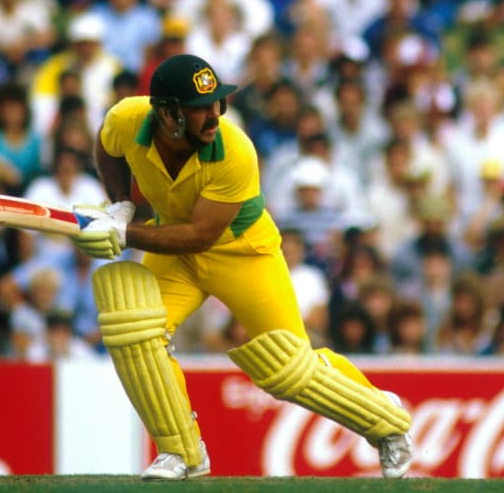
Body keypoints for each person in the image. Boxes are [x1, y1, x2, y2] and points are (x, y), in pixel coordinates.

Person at [66, 54, 412, 480]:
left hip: (242, 251)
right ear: (168, 113)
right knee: (132, 328)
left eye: (217, 103)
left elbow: (202, 236)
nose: (214, 115)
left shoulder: (235, 150)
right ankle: (181, 452)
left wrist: (125, 232)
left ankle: (386, 420)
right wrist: (121, 203)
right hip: (174, 247)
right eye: (199, 107)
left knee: (289, 368)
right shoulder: (126, 119)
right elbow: (106, 148)